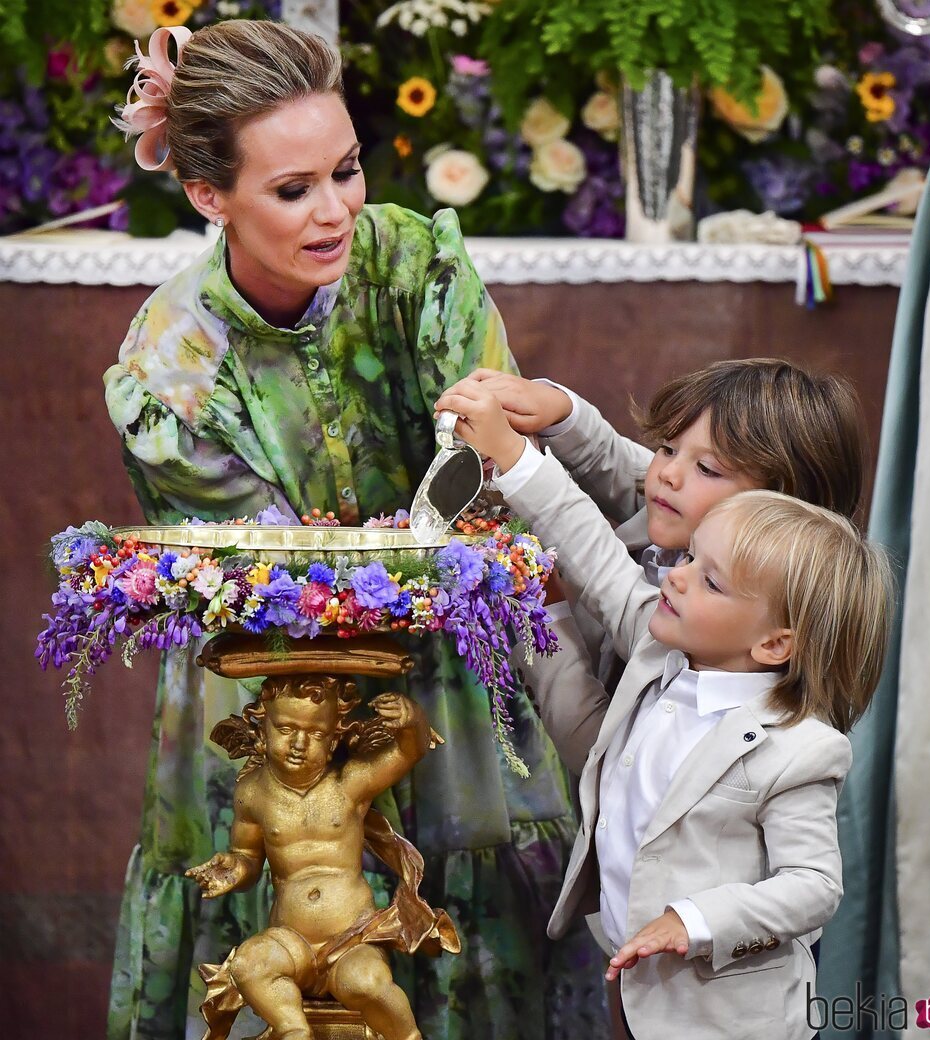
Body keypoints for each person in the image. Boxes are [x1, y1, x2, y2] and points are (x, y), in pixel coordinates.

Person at [103, 20, 606, 1040]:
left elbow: (488, 482)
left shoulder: (419, 264)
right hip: (272, 710)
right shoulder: (171, 365)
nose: (335, 210)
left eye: (346, 170)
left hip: (455, 709)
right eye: (292, 190)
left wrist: (443, 516)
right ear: (209, 196)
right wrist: (415, 538)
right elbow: (282, 591)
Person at [434, 389, 894, 1038]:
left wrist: (695, 920)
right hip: (634, 983)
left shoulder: (799, 748)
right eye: (690, 562)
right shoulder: (665, 648)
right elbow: (598, 553)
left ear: (772, 642)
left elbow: (813, 887)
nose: (674, 577)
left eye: (707, 578)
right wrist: (560, 424)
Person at [450, 360, 867, 773]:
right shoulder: (692, 514)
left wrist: (517, 461)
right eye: (667, 447)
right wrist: (560, 411)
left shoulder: (723, 627)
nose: (668, 473)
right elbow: (624, 468)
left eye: (707, 468)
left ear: (777, 509)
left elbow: (611, 580)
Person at [186, 676, 457, 1040]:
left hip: (350, 940)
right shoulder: (252, 793)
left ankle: (408, 1037)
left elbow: (409, 751)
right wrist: (235, 869)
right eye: (285, 728)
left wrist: (412, 721)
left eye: (315, 734)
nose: (299, 744)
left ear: (333, 741)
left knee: (367, 982)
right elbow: (247, 855)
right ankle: (293, 1030)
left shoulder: (350, 784)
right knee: (250, 963)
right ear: (262, 730)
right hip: (290, 940)